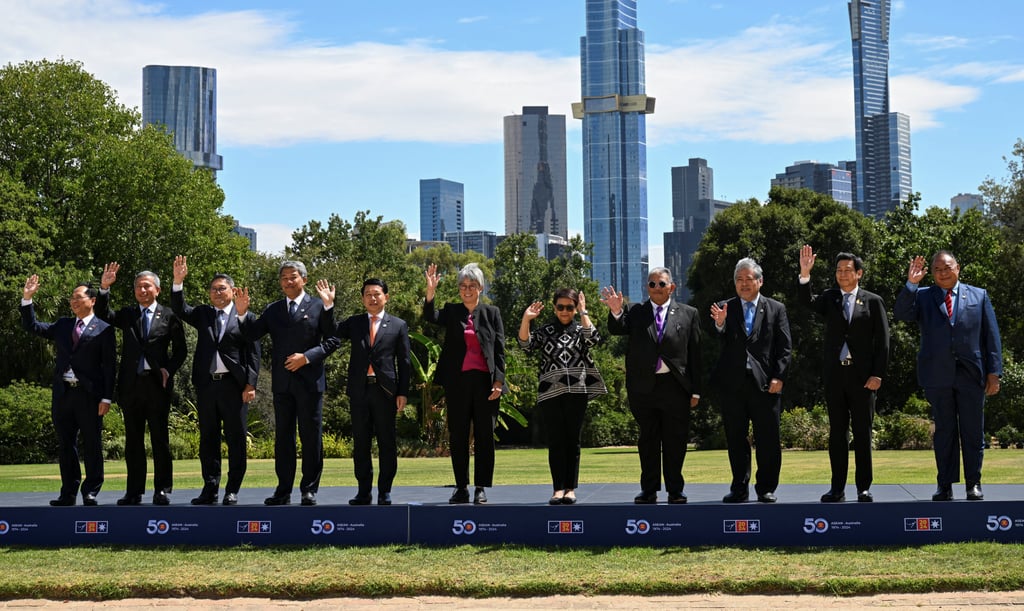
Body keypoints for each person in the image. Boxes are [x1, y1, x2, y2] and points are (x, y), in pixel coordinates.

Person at [894, 251, 1002, 501]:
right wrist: (911, 284)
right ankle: (945, 485)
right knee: (944, 432)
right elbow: (901, 314)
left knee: (973, 432)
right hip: (937, 375)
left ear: (958, 268)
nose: (942, 272)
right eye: (937, 269)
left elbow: (991, 336)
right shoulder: (922, 296)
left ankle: (973, 483)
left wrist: (994, 373)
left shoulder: (979, 295)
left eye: (947, 267)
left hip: (971, 375)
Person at [235, 261, 340, 506]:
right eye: (283, 278)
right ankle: (283, 490)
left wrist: (307, 357)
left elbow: (333, 340)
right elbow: (250, 335)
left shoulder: (318, 305)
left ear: (303, 279)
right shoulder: (273, 310)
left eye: (293, 277)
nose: (288, 281)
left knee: (310, 437)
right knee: (283, 439)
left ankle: (309, 489)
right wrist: (241, 313)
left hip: (310, 383)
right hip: (283, 386)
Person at [601, 268, 702, 504]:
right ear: (647, 287)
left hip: (676, 387)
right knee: (648, 440)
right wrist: (616, 311)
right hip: (643, 388)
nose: (657, 288)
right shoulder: (637, 312)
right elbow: (617, 329)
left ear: (672, 287)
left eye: (662, 284)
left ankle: (675, 489)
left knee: (675, 440)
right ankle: (649, 490)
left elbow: (696, 355)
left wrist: (696, 390)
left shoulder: (689, 314)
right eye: (652, 284)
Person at [798, 246, 890, 503]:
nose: (842, 275)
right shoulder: (830, 298)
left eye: (847, 270)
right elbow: (807, 302)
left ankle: (863, 487)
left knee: (862, 432)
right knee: (837, 433)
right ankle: (837, 487)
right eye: (838, 271)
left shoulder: (873, 301)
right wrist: (805, 274)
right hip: (836, 377)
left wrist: (877, 375)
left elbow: (883, 342)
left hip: (863, 378)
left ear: (859, 273)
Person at [170, 256, 260, 506]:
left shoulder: (245, 317)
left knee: (236, 439)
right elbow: (180, 309)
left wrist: (250, 384)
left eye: (222, 288)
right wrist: (178, 282)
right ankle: (210, 489)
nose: (217, 293)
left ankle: (232, 489)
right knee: (208, 440)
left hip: (235, 387)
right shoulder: (204, 314)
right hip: (208, 386)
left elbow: (253, 353)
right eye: (213, 289)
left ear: (233, 291)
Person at [96, 264, 187, 506]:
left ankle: (162, 490)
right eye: (138, 286)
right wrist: (104, 288)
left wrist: (169, 368)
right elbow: (103, 314)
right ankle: (133, 492)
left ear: (157, 289)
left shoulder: (169, 315)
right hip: (131, 386)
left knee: (160, 439)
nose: (142, 290)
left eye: (146, 286)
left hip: (157, 385)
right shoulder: (128, 314)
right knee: (133, 441)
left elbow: (181, 350)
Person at [20, 275, 115, 506]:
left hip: (89, 396)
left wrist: (107, 397)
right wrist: (27, 299)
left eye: (78, 297)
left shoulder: (104, 329)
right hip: (64, 395)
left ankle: (90, 490)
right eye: (71, 298)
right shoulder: (62, 325)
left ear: (92, 300)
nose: (73, 301)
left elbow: (110, 367)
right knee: (66, 445)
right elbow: (32, 326)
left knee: (92, 444)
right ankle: (68, 492)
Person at [317, 277, 411, 506]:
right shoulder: (355, 322)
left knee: (387, 443)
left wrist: (402, 392)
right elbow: (332, 332)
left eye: (377, 293)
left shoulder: (398, 325)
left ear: (386, 297)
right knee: (361, 444)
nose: (372, 297)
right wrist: (328, 306)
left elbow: (404, 361)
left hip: (385, 392)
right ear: (362, 298)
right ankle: (364, 491)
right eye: (368, 294)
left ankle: (385, 491)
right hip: (359, 391)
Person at [710, 257, 791, 503]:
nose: (744, 284)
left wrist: (779, 376)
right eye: (739, 279)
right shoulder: (725, 307)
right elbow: (719, 338)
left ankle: (766, 487)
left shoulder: (776, 308)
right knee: (736, 438)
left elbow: (785, 347)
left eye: (748, 279)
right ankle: (739, 487)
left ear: (760, 281)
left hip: (766, 384)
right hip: (733, 385)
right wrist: (720, 324)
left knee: (768, 438)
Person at [423, 262, 506, 505]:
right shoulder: (451, 311)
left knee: (484, 436)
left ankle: (481, 487)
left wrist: (499, 381)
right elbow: (430, 316)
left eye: (471, 285)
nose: (467, 289)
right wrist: (430, 292)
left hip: (486, 383)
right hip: (457, 383)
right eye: (462, 286)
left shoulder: (492, 313)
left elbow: (500, 350)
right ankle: (461, 487)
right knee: (458, 436)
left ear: (480, 287)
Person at [519, 288, 607, 505]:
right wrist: (526, 320)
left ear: (575, 308)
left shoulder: (580, 328)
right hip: (550, 393)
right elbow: (526, 344)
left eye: (570, 307)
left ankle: (570, 489)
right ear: (554, 307)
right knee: (556, 441)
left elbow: (594, 338)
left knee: (572, 441)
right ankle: (557, 489)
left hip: (578, 391)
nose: (565, 311)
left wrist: (584, 312)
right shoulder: (546, 330)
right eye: (560, 307)